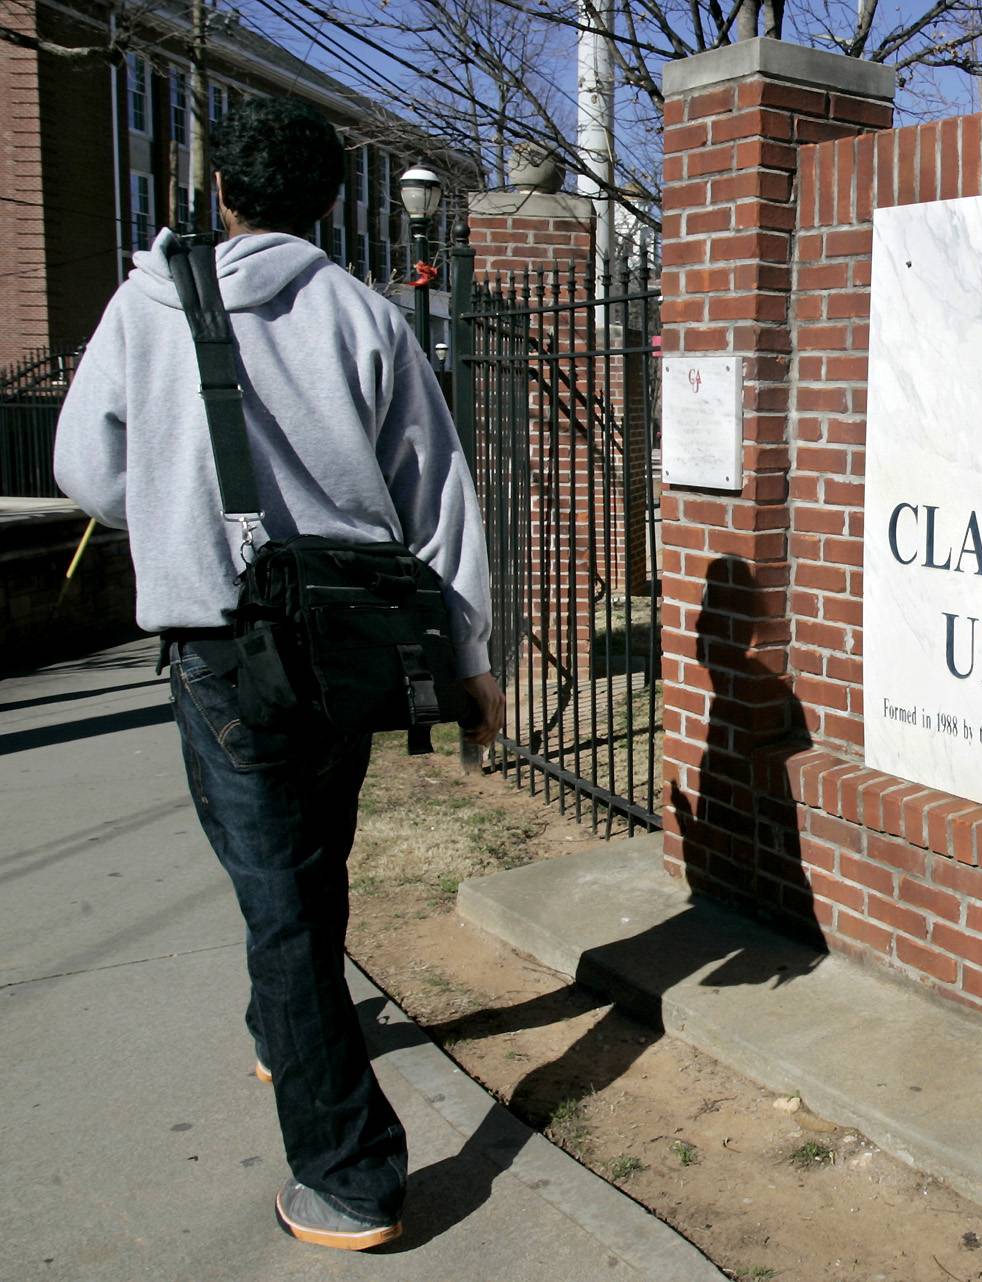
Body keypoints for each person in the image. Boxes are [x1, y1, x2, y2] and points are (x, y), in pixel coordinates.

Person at [53, 96, 502, 1252]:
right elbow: (435, 496)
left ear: (220, 195)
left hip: (217, 638)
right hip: (347, 635)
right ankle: (282, 1025)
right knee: (311, 860)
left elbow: (84, 471)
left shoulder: (143, 305)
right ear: (330, 205)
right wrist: (471, 661)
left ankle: (349, 1173)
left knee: (280, 891)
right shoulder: (363, 315)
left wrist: (169, 507)